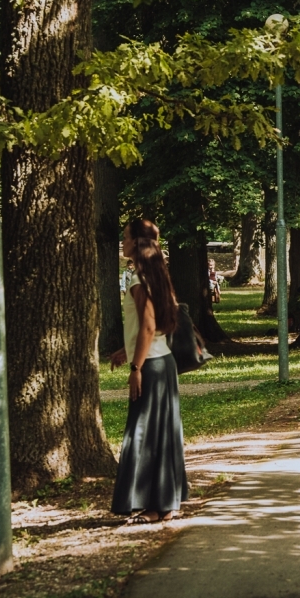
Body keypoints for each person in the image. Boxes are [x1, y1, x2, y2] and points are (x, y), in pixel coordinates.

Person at [110, 219, 188, 522]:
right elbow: (150, 329)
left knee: (144, 433)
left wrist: (136, 366)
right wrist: (126, 350)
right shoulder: (156, 276)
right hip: (162, 360)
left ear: (137, 244)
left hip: (152, 366)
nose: (123, 242)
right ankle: (167, 503)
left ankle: (154, 506)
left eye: (126, 238)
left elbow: (148, 326)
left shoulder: (138, 280)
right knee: (162, 432)